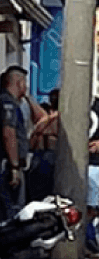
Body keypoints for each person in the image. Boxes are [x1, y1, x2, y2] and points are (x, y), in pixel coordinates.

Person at [0, 66, 47, 222]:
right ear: (19, 83)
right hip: (7, 166)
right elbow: (9, 134)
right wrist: (14, 167)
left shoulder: (15, 104)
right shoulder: (7, 103)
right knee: (12, 213)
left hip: (10, 164)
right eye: (24, 82)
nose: (26, 86)